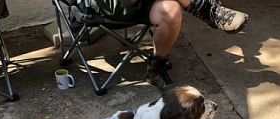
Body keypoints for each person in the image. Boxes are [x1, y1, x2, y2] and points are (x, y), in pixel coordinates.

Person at [85, 0, 249, 90]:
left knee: (171, 11)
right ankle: (207, 10)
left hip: (143, 4)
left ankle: (156, 68)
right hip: (105, 5)